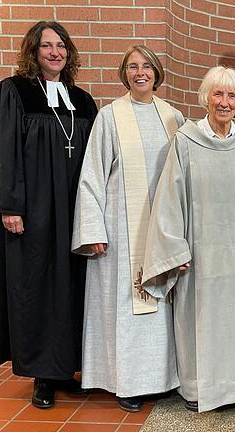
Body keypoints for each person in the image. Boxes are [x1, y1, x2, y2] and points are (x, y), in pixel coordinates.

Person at [0, 20, 97, 410]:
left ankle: (66, 369)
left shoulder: (83, 100)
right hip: (33, 212)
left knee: (72, 285)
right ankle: (42, 376)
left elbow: (96, 161)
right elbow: (3, 151)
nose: (55, 52)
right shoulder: (13, 92)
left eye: (61, 45)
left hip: (74, 209)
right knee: (37, 285)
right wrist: (9, 205)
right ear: (33, 51)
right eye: (46, 45)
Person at [141, 66, 235, 413]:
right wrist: (174, 247)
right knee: (200, 318)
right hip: (198, 251)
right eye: (218, 94)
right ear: (206, 98)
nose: (224, 102)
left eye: (231, 96)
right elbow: (170, 196)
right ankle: (200, 389)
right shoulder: (186, 140)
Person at [71, 45, 183, 412]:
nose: (140, 73)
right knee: (123, 306)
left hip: (162, 228)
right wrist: (93, 230)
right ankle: (126, 382)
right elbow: (92, 176)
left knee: (160, 306)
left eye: (147, 66)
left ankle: (162, 379)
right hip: (121, 229)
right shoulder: (110, 116)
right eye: (133, 67)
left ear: (157, 72)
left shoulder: (173, 117)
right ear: (125, 73)